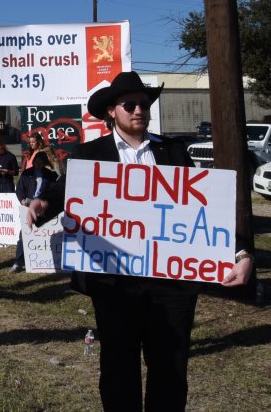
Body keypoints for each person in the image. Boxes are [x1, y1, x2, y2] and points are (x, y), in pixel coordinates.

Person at [27, 71, 254, 411]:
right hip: (115, 282)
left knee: (171, 368)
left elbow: (206, 211)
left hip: (172, 283)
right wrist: (41, 206)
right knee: (119, 368)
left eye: (144, 104)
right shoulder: (89, 155)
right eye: (129, 104)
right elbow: (61, 196)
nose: (138, 110)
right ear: (111, 112)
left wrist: (240, 252)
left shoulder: (174, 150)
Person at [10, 151, 57, 272]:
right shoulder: (27, 173)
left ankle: (46, 261)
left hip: (43, 206)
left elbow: (54, 190)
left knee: (46, 233)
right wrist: (22, 200)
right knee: (23, 234)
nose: (38, 164)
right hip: (28, 205)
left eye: (41, 163)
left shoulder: (50, 175)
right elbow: (19, 189)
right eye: (36, 162)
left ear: (44, 163)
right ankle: (18, 262)